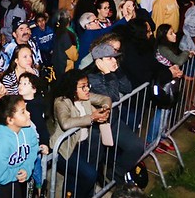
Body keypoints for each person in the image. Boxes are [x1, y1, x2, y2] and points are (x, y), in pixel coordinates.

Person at [85, 42, 146, 185]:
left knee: (136, 146)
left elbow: (128, 87)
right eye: (109, 58)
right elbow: (112, 96)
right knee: (94, 164)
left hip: (112, 122)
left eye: (115, 58)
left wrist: (116, 72)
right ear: (98, 62)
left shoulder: (112, 72)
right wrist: (108, 74)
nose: (114, 61)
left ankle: (116, 174)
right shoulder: (91, 78)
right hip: (95, 129)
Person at [51, 70, 111, 198]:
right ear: (73, 88)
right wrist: (91, 117)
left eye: (87, 85)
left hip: (82, 145)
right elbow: (65, 123)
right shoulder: (61, 102)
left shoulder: (85, 98)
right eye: (82, 86)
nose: (87, 89)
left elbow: (105, 98)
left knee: (74, 179)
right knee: (90, 175)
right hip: (64, 150)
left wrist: (105, 110)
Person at [0, 95, 39, 197]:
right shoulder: (1, 140)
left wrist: (26, 168)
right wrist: (18, 173)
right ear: (10, 120)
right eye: (23, 112)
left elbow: (33, 148)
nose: (28, 114)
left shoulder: (28, 130)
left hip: (13, 179)